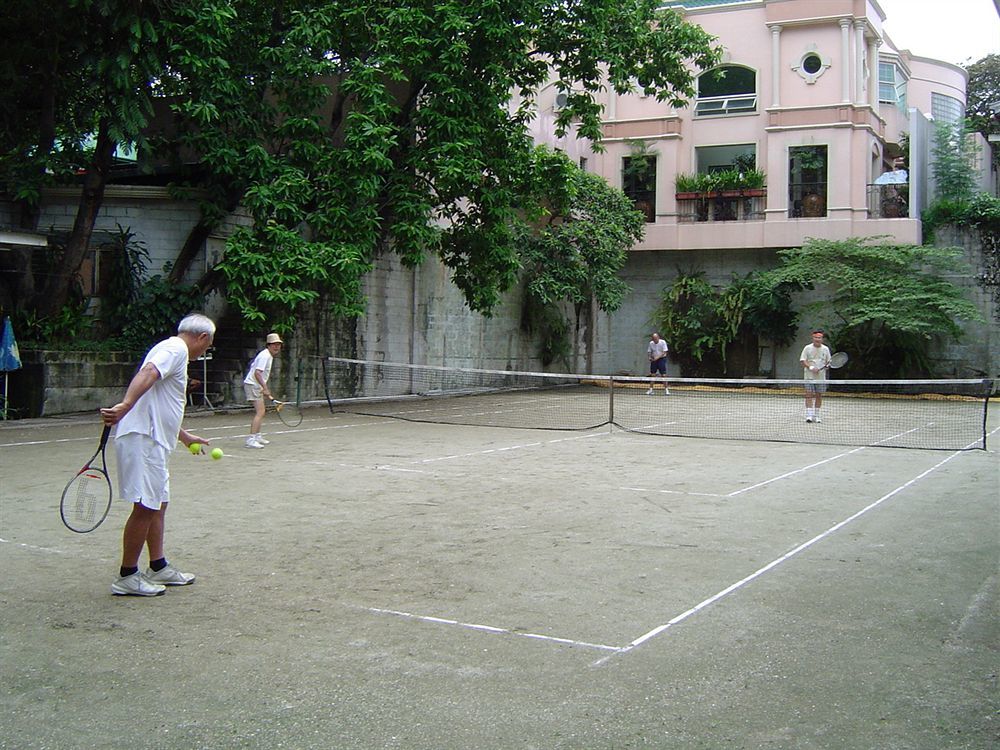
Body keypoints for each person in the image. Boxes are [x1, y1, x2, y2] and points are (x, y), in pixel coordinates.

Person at [100, 313, 216, 597]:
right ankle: (127, 576)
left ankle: (158, 565)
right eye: (208, 345)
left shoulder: (173, 351)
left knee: (158, 503)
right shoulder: (175, 349)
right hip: (144, 439)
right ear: (202, 338)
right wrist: (126, 404)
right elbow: (149, 372)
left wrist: (184, 436)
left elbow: (161, 403)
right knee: (147, 506)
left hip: (154, 439)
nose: (205, 351)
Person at [243, 332, 283, 449]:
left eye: (278, 344)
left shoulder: (267, 355)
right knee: (260, 412)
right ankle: (251, 439)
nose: (276, 347)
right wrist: (265, 388)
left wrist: (264, 389)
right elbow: (257, 373)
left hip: (255, 385)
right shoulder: (265, 355)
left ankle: (257, 436)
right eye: (274, 344)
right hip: (253, 384)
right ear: (268, 345)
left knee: (262, 411)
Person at [799, 328, 832, 423]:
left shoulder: (825, 349)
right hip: (809, 377)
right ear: (812, 338)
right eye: (816, 337)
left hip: (821, 378)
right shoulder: (807, 348)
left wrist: (826, 366)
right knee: (809, 395)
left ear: (822, 339)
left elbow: (828, 362)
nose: (818, 339)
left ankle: (817, 415)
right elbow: (803, 360)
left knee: (819, 395)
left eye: (820, 337)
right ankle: (809, 415)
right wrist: (811, 367)